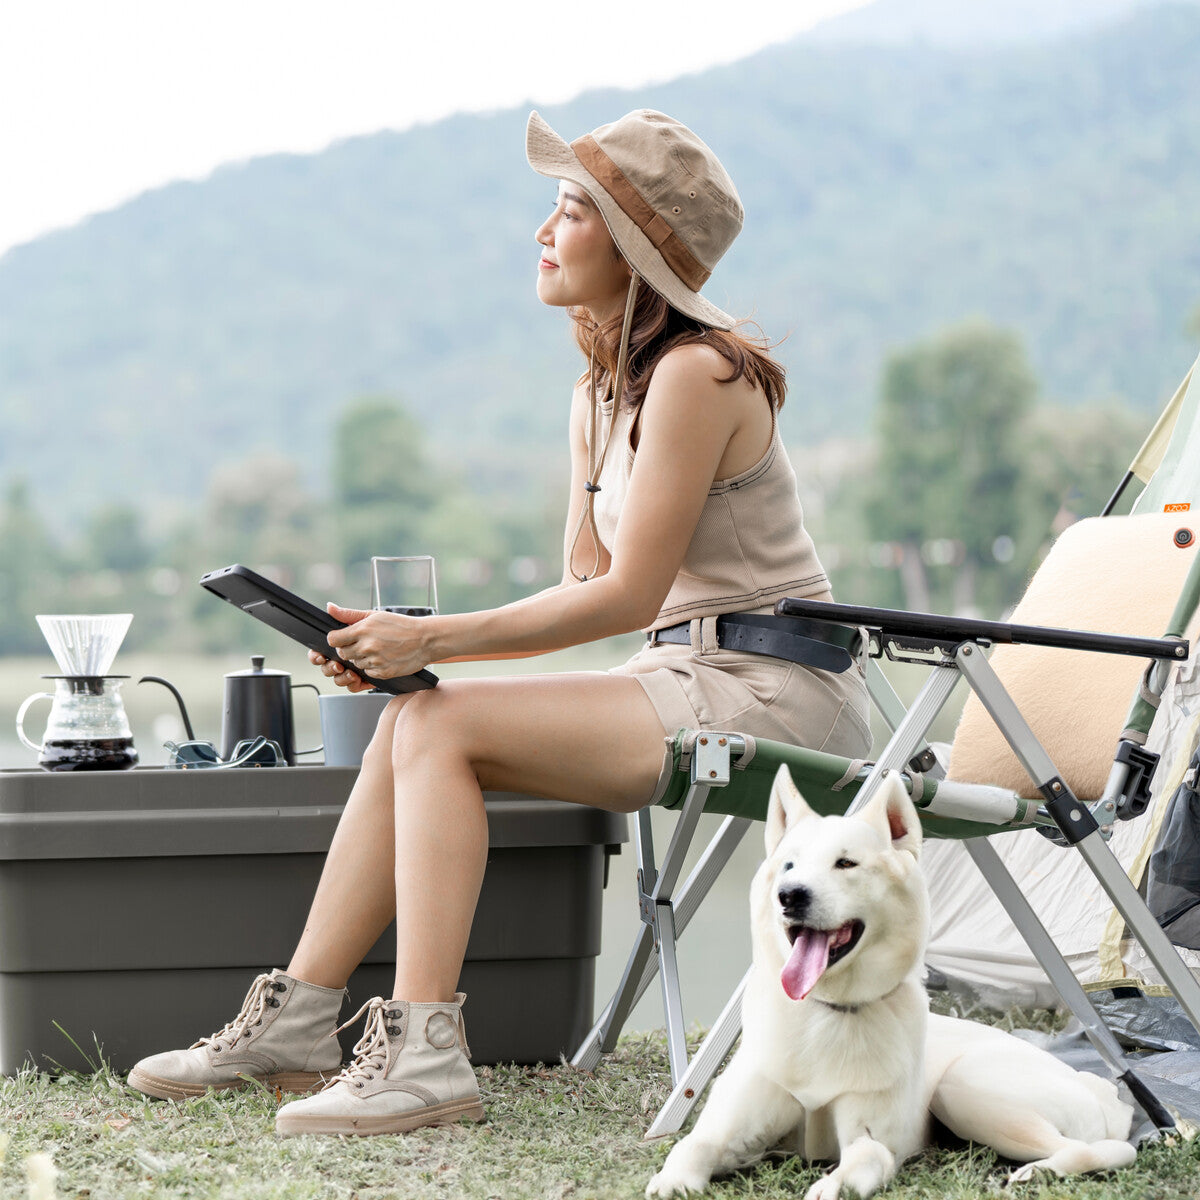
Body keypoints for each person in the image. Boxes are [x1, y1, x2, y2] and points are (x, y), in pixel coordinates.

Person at [127, 109, 872, 1135]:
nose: (541, 231)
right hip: (672, 680)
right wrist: (392, 648)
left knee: (438, 717)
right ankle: (301, 1019)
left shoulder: (701, 373)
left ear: (633, 246)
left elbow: (623, 598)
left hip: (774, 692)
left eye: (569, 211)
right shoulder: (602, 394)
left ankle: (423, 1053)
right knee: (415, 720)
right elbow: (582, 581)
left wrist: (429, 640)